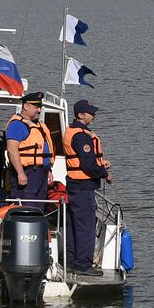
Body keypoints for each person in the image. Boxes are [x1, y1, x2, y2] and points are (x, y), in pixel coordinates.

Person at [63, 99, 112, 276]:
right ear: (80, 115)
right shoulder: (81, 136)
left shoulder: (74, 131)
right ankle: (83, 265)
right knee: (85, 226)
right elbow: (87, 165)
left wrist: (100, 164)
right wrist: (104, 174)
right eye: (91, 113)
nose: (94, 115)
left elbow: (87, 161)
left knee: (74, 224)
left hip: (74, 185)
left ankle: (71, 260)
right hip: (82, 187)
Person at [5, 91, 54, 202]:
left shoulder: (38, 125)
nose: (39, 110)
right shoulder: (17, 125)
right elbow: (12, 150)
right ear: (26, 106)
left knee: (39, 206)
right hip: (28, 172)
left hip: (41, 172)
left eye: (40, 107)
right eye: (36, 106)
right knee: (27, 206)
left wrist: (49, 170)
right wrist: (20, 173)